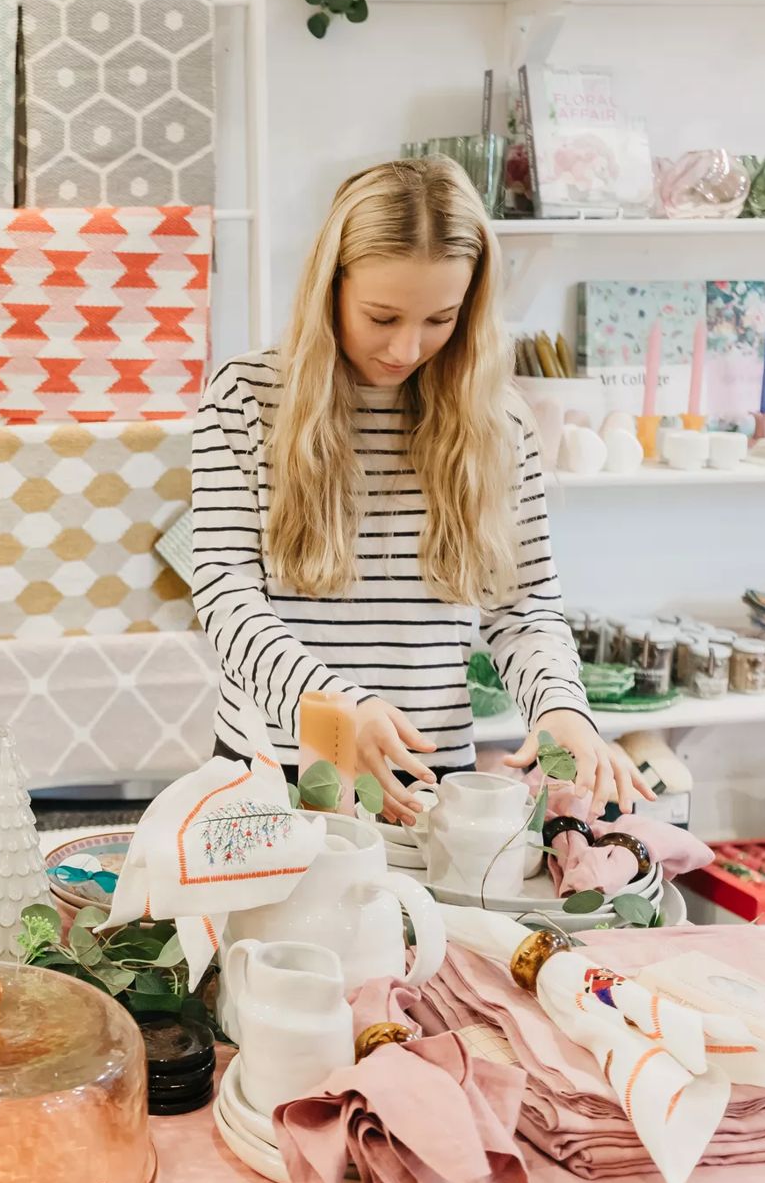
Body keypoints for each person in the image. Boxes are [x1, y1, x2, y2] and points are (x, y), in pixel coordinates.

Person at [190, 157, 652, 821]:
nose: (406, 348)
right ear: (330, 287)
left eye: (440, 319)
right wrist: (333, 708)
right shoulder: (244, 400)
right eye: (381, 317)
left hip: (431, 779)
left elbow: (522, 610)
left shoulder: (500, 423)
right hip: (273, 771)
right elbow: (226, 597)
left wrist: (559, 708)